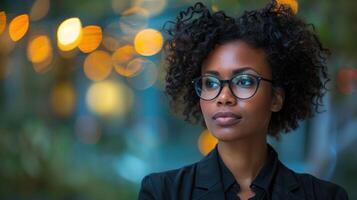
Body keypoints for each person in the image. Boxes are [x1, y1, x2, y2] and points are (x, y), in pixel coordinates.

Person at [138, 1, 349, 199]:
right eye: (210, 83)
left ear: (276, 98)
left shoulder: (323, 196)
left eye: (244, 81)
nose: (224, 97)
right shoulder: (163, 192)